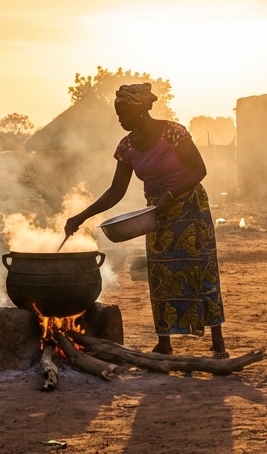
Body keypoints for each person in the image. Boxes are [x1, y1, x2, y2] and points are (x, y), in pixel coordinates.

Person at [64, 83, 227, 357]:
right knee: (161, 275)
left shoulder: (173, 132)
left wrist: (172, 194)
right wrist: (80, 216)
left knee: (201, 270)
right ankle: (165, 342)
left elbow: (199, 169)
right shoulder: (126, 146)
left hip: (190, 208)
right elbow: (116, 191)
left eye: (122, 113)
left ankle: (218, 340)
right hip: (158, 215)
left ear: (138, 111)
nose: (119, 120)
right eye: (117, 114)